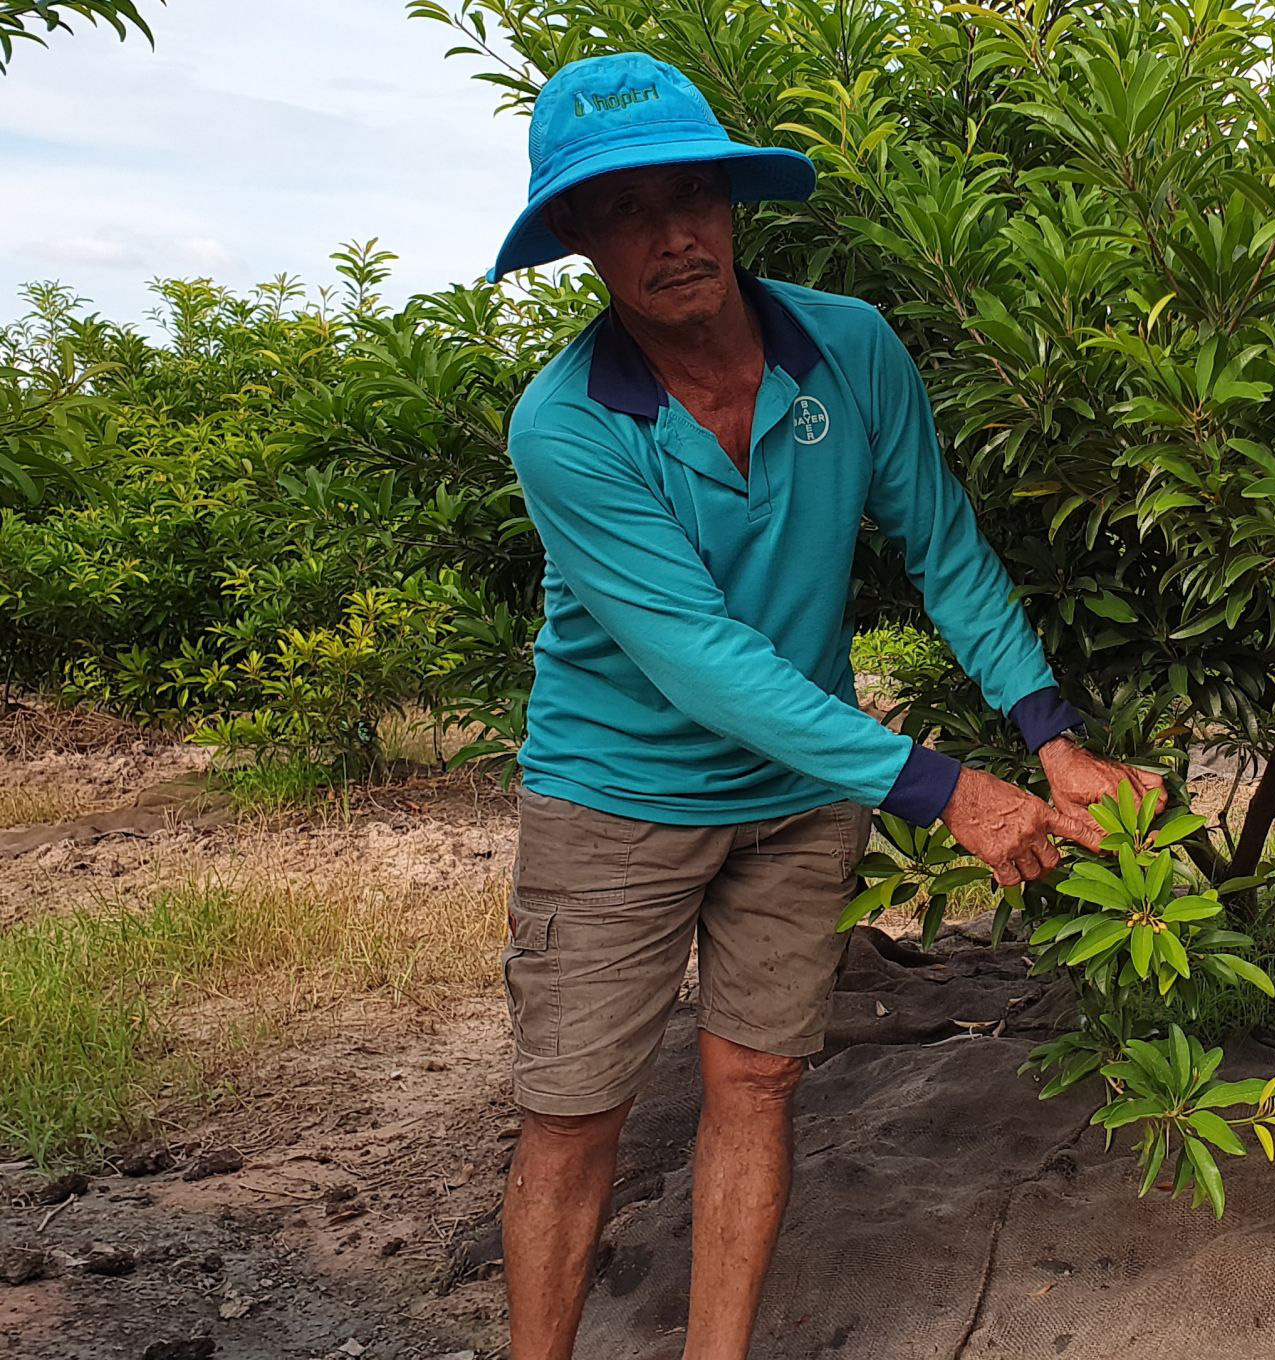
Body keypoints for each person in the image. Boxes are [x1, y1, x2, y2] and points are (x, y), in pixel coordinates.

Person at [488, 51, 1163, 1360]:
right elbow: (699, 657)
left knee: (758, 1081)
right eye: (627, 209)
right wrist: (946, 789)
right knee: (574, 1119)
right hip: (613, 800)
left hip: (800, 800)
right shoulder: (566, 426)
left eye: (696, 195)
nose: (675, 234)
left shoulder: (846, 348)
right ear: (576, 235)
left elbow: (946, 549)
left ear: (737, 204)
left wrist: (1051, 740)